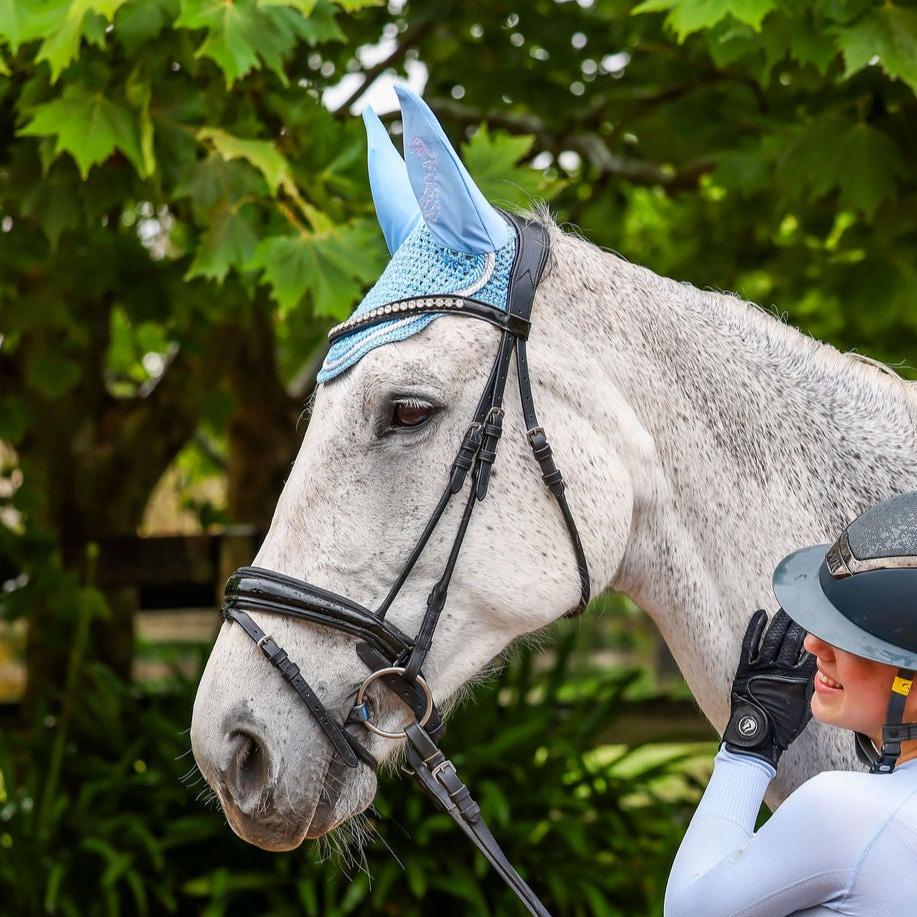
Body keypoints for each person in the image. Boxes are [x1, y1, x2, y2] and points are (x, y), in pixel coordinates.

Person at [664, 491, 917, 917]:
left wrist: (751, 742)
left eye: (856, 638)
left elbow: (690, 910)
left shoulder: (846, 812)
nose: (814, 643)